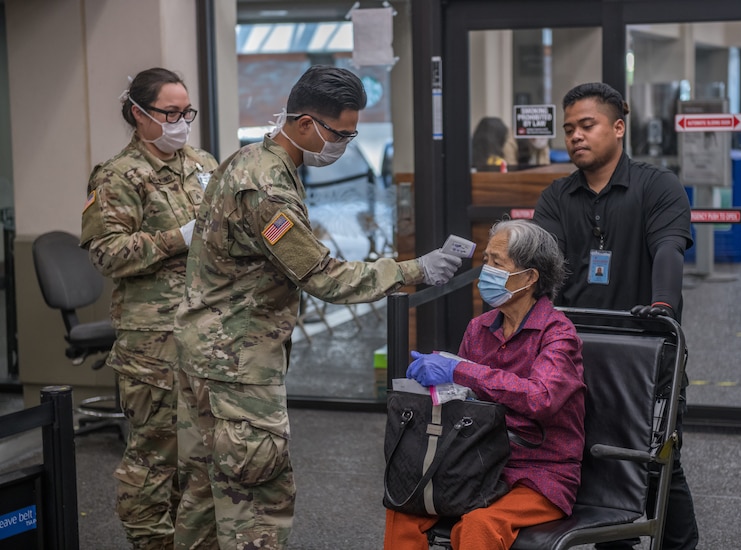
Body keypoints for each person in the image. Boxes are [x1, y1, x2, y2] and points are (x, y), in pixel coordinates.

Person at [172, 65, 462, 549]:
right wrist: (414, 270)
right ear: (306, 123)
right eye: (341, 135)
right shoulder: (268, 189)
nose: (344, 146)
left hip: (206, 355)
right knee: (256, 501)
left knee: (205, 496)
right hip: (237, 364)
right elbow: (322, 277)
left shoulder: (248, 160)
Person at [532, 81, 699, 549]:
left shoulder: (657, 186)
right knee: (593, 461)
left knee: (653, 463)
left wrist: (663, 304)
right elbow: (540, 265)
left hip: (645, 354)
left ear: (618, 127)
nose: (575, 137)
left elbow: (668, 250)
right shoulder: (556, 197)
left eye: (587, 125)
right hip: (573, 353)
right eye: (568, 129)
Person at [80, 67, 218, 549]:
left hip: (204, 334)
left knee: (199, 459)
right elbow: (106, 254)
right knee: (154, 462)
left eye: (187, 112)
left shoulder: (201, 162)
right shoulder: (119, 175)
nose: (182, 122)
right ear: (139, 114)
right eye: (170, 113)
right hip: (152, 345)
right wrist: (174, 238)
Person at [384, 219, 586, 550]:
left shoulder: (557, 334)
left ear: (530, 277)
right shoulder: (479, 328)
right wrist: (431, 387)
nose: (485, 271)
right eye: (486, 260)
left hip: (539, 473)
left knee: (479, 526)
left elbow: (541, 398)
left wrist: (460, 370)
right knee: (403, 508)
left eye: (497, 263)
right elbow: (462, 404)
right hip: (475, 463)